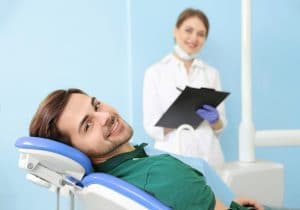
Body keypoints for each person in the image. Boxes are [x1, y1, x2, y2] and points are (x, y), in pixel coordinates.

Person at [29, 88, 263, 210]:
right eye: (87, 125)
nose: (105, 116)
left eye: (97, 104)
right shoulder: (163, 173)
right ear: (78, 152)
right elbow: (178, 187)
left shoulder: (116, 176)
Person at [143, 8, 226, 168]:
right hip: (172, 157)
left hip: (209, 157)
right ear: (176, 31)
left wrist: (215, 120)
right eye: (189, 30)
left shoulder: (211, 74)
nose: (194, 38)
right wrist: (180, 117)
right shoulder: (155, 72)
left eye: (201, 34)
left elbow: (220, 127)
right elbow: (150, 127)